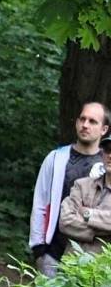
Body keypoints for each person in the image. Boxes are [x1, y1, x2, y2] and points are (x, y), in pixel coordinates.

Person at [29, 102, 108, 276]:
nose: (85, 125)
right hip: (52, 253)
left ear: (104, 129)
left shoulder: (106, 168)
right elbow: (41, 203)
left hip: (91, 260)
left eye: (93, 121)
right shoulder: (56, 158)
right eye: (82, 119)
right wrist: (38, 248)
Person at [58, 131, 111, 255]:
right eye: (108, 150)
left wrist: (87, 214)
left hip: (105, 271)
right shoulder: (81, 185)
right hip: (72, 267)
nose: (110, 155)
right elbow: (65, 222)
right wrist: (103, 232)